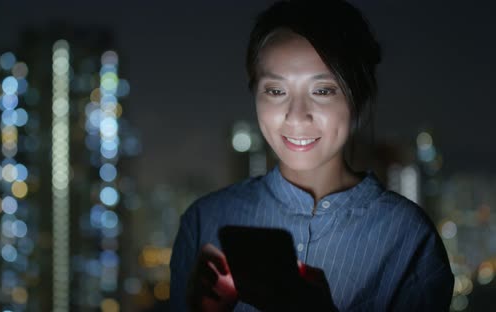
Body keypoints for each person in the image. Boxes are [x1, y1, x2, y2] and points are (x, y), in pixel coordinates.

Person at [170, 0, 454, 311]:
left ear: (359, 97)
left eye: (322, 90)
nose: (296, 116)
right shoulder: (205, 221)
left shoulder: (407, 238)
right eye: (276, 91)